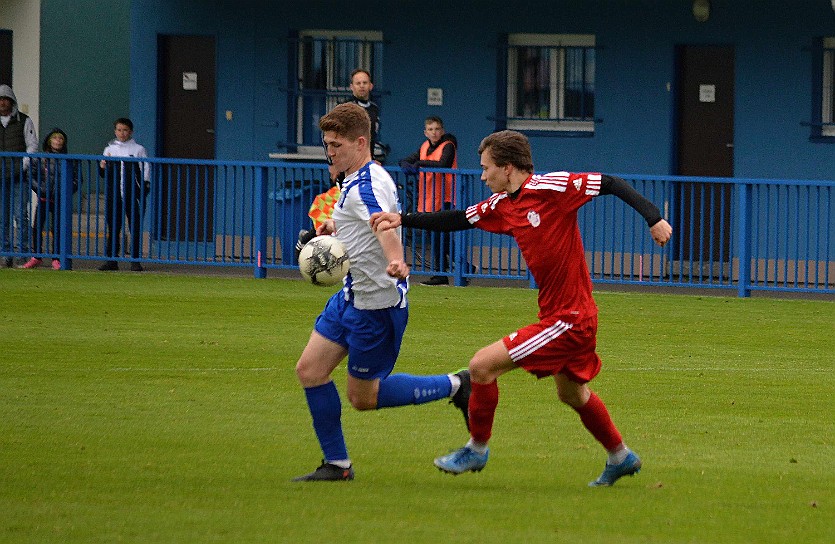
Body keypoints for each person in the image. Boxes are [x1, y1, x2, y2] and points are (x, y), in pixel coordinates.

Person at [370, 130, 673, 487]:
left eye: (486, 168)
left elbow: (610, 182)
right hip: (562, 315)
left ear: (508, 167)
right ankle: (621, 456)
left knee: (481, 367)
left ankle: (477, 448)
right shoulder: (503, 204)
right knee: (571, 393)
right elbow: (457, 219)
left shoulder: (552, 188)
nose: (482, 176)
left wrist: (653, 217)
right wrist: (402, 219)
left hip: (569, 319)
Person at [293, 102, 471, 482]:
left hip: (376, 304)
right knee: (310, 370)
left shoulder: (366, 186)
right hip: (349, 295)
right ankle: (337, 465)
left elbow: (382, 226)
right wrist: (333, 228)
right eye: (326, 144)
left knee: (363, 398)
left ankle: (457, 384)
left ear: (360, 142)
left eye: (336, 145)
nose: (330, 152)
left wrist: (396, 260)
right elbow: (362, 223)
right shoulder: (361, 176)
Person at [399, 116, 458, 285]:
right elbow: (407, 160)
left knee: (441, 236)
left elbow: (443, 164)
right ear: (425, 132)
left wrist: (419, 163)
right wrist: (407, 165)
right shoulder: (424, 146)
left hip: (446, 196)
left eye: (437, 129)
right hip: (430, 197)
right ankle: (461, 268)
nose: (434, 132)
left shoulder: (448, 146)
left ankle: (442, 274)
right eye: (430, 129)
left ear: (443, 131)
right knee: (440, 236)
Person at [98, 118, 150, 272]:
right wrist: (102, 165)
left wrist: (144, 186)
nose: (122, 133)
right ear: (115, 131)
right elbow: (103, 172)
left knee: (134, 226)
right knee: (113, 227)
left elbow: (145, 168)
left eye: (125, 130)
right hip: (114, 194)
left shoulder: (138, 149)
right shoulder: (109, 149)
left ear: (131, 132)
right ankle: (111, 260)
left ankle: (135, 260)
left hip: (132, 194)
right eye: (119, 130)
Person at [21, 128, 78, 269]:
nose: (58, 141)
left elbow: (77, 180)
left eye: (61, 139)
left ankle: (57, 258)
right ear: (49, 141)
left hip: (60, 199)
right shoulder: (40, 158)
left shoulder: (69, 160)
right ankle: (36, 256)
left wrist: (65, 190)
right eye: (55, 138)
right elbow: (30, 176)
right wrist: (41, 189)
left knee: (57, 228)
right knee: (37, 226)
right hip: (44, 198)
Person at [0, 84, 38, 268]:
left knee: (20, 215)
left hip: (19, 176)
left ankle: (23, 252)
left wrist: (23, 164)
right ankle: (6, 253)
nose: (2, 103)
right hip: (1, 176)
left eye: (5, 99)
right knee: (2, 217)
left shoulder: (24, 120)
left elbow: (32, 145)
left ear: (12, 101)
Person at [344, 69, 383, 162]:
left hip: (367, 163)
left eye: (365, 83)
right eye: (358, 83)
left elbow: (372, 137)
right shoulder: (345, 108)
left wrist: (371, 159)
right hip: (348, 163)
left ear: (370, 86)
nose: (362, 86)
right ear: (352, 87)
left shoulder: (374, 108)